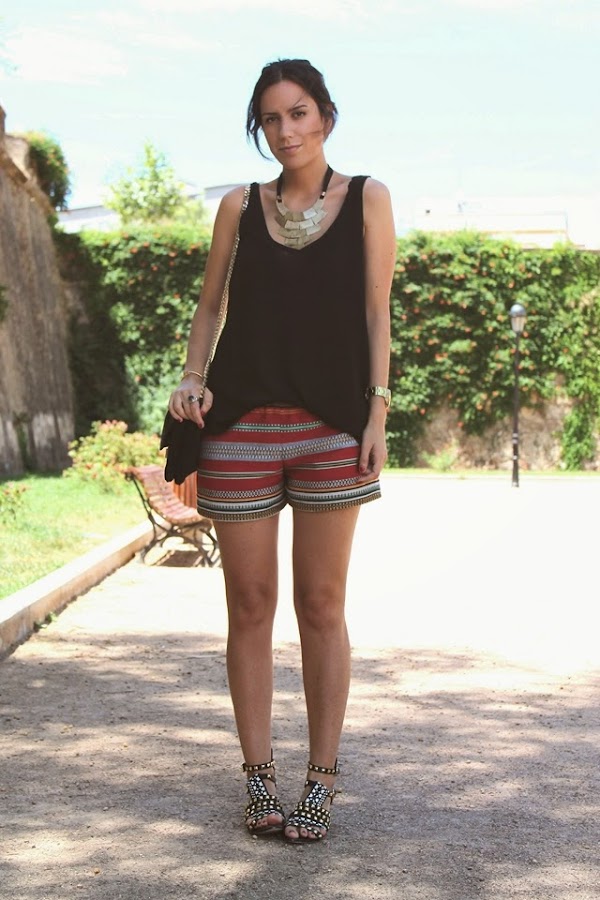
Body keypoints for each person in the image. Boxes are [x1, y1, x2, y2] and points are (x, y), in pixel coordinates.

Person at [167, 58, 396, 843]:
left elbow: (376, 313)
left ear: (325, 115)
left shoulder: (368, 198)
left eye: (299, 112)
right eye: (271, 118)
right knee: (250, 604)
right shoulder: (239, 205)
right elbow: (210, 306)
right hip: (238, 429)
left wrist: (377, 412)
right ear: (259, 128)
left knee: (322, 604)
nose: (286, 129)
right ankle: (259, 777)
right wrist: (193, 376)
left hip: (332, 427)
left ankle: (321, 782)